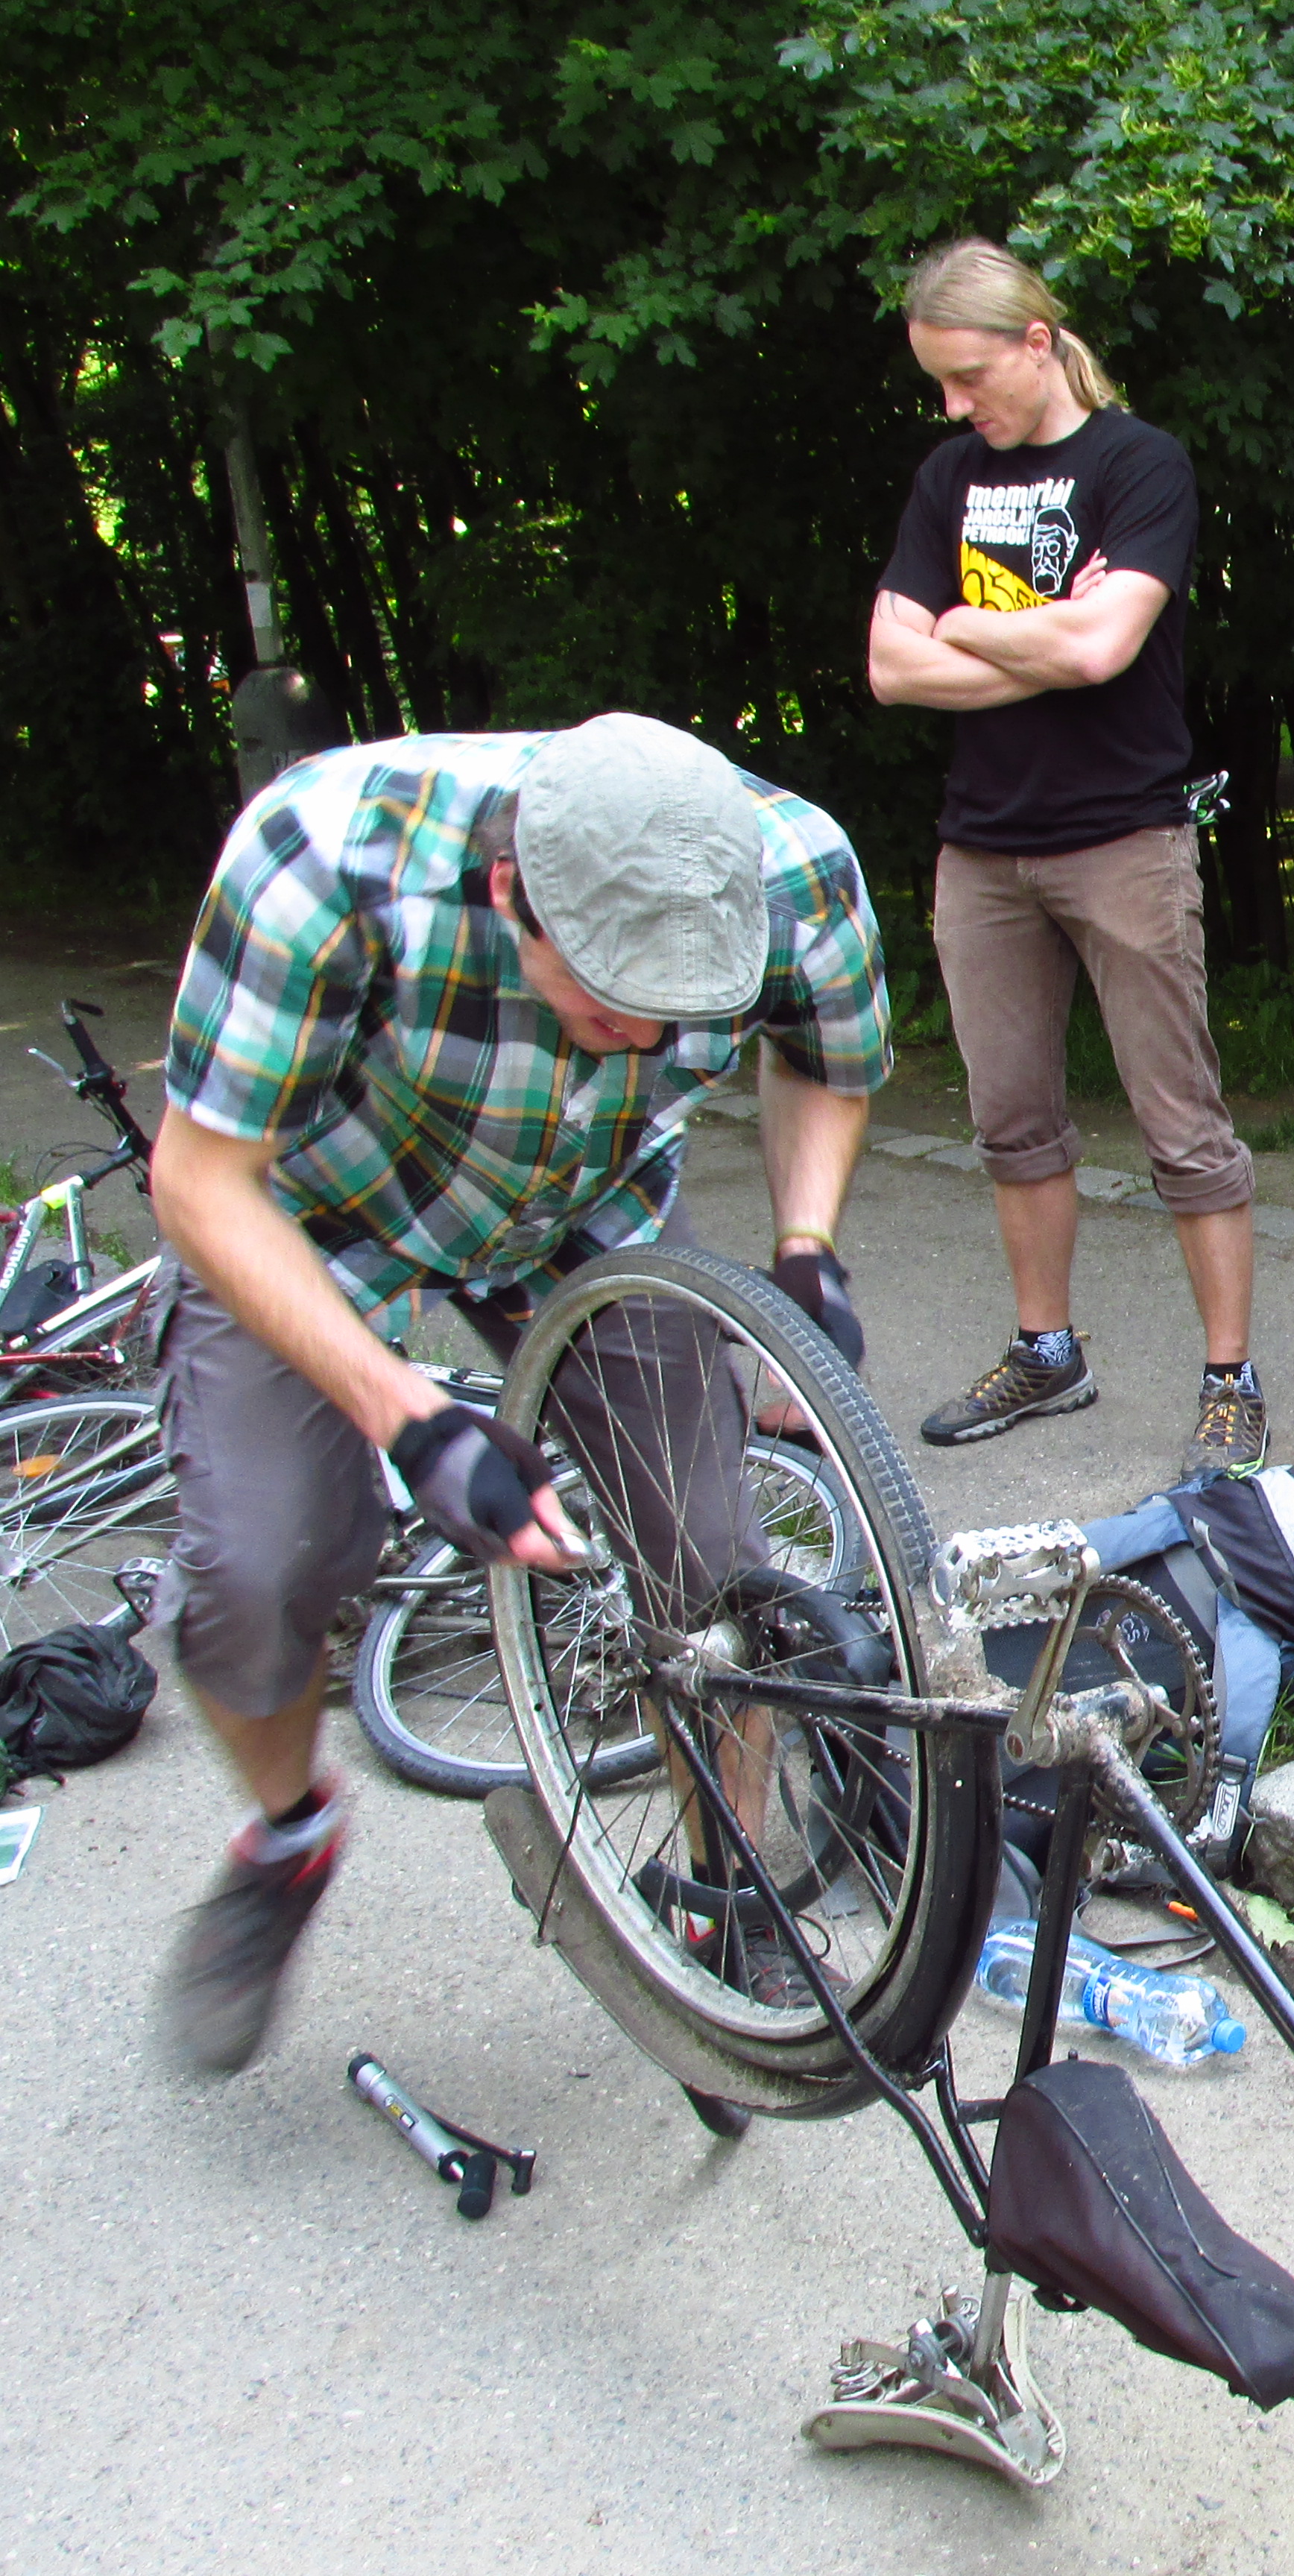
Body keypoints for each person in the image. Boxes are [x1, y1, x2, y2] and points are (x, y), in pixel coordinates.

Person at [151, 713, 891, 2071]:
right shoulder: (320, 867)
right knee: (261, 1567)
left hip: (584, 1203)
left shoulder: (793, 873)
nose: (644, 1039)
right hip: (315, 1216)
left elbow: (825, 1060)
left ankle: (724, 1892)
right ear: (510, 895)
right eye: (610, 1005)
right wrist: (415, 1421)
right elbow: (198, 1182)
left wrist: (807, 1246)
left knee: (715, 1573)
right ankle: (289, 1834)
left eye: (677, 1015)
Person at [868, 238, 1266, 1476]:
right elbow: (889, 667)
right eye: (938, 383)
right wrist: (1044, 629)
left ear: (1036, 343)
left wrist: (964, 624)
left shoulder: (1138, 465)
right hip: (983, 850)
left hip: (1124, 837)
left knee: (1182, 1123)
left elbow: (1104, 652)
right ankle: (1047, 1353)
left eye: (968, 376)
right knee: (1010, 1120)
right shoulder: (947, 478)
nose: (954, 406)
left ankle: (1231, 1379)